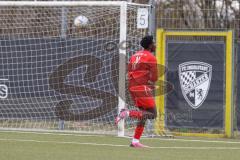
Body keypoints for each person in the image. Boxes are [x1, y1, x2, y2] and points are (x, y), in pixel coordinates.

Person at [115, 35, 158, 148]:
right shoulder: (151, 57)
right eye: (153, 43)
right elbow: (155, 78)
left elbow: (130, 71)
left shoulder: (134, 55)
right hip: (141, 87)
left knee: (143, 114)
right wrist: (150, 83)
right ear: (150, 45)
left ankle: (135, 141)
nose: (155, 45)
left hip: (132, 86)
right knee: (153, 114)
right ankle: (126, 113)